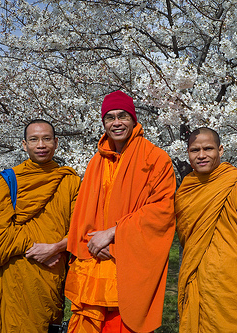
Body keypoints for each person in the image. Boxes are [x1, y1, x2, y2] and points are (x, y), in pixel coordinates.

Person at [65, 90, 176, 332]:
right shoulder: (97, 160)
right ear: (103, 122)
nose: (116, 123)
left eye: (123, 116)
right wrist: (92, 241)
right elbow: (84, 212)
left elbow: (162, 210)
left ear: (134, 120)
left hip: (126, 259)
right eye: (110, 117)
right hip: (94, 256)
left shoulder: (155, 159)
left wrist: (114, 234)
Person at [0, 119, 81, 332]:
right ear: (24, 145)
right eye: (34, 139)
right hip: (17, 274)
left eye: (47, 139)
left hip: (53, 274)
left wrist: (54, 248)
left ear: (56, 142)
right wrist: (35, 246)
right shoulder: (10, 180)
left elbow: (81, 228)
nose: (41, 145)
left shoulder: (69, 180)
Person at [175, 127, 237, 332]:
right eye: (195, 150)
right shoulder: (186, 188)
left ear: (220, 150)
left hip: (230, 282)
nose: (201, 155)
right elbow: (186, 234)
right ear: (188, 153)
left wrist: (231, 263)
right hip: (194, 277)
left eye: (208, 149)